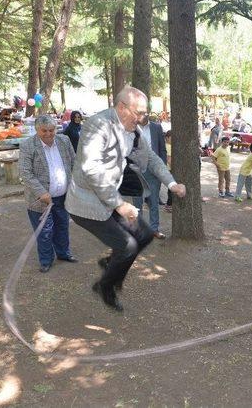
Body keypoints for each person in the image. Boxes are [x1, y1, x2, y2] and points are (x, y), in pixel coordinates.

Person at [65, 86, 186, 311]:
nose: (142, 119)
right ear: (122, 107)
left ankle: (111, 263)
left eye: (144, 114)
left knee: (145, 235)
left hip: (110, 197)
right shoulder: (97, 125)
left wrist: (171, 184)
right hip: (86, 204)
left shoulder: (132, 130)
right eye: (138, 113)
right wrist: (120, 205)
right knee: (128, 246)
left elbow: (151, 158)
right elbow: (91, 170)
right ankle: (105, 286)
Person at [18, 114, 77, 273]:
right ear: (37, 130)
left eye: (51, 130)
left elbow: (74, 162)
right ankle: (46, 260)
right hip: (40, 200)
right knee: (45, 231)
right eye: (44, 131)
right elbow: (25, 172)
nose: (49, 134)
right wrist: (41, 192)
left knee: (62, 226)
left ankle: (64, 253)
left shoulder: (64, 141)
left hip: (63, 196)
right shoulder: (28, 145)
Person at [132, 113, 168, 239]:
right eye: (141, 112)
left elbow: (162, 149)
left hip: (153, 171)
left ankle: (154, 229)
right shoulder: (131, 127)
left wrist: (161, 167)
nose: (144, 114)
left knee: (154, 201)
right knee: (137, 203)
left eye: (146, 111)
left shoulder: (156, 128)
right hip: (136, 171)